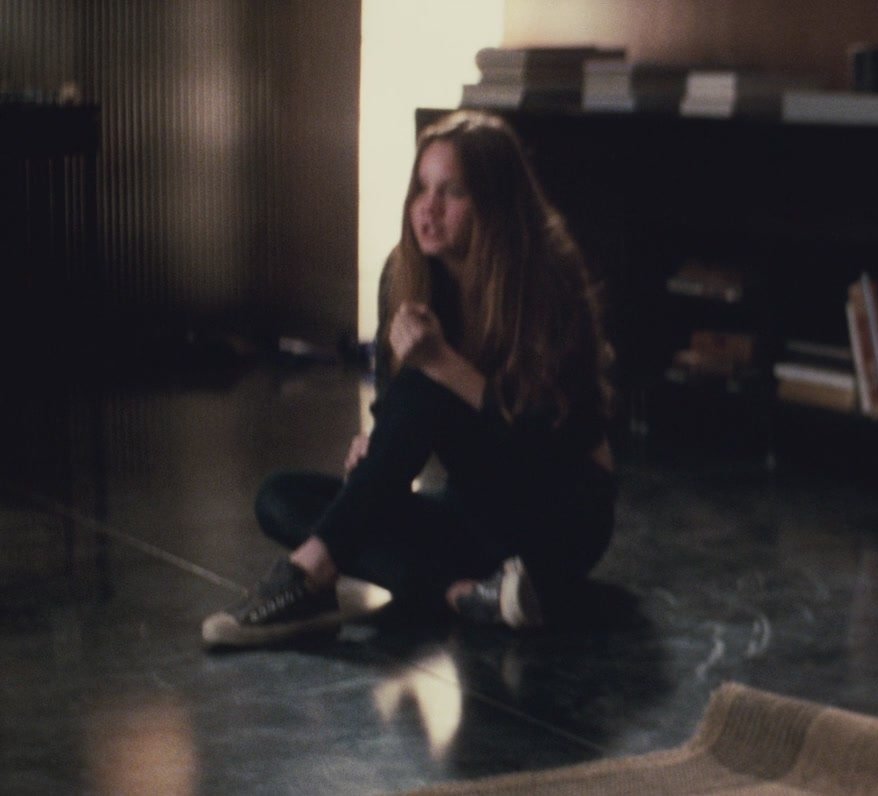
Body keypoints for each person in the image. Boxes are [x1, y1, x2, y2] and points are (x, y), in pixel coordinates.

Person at [202, 110, 617, 648]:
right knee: (281, 499)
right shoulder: (406, 277)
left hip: (559, 519)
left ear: (493, 204)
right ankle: (465, 595)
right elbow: (404, 411)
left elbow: (553, 436)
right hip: (475, 514)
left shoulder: (547, 279)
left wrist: (441, 364)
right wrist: (377, 449)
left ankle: (309, 577)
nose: (428, 207)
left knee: (424, 386)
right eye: (422, 187)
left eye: (453, 192)